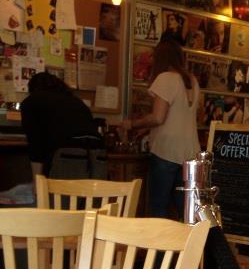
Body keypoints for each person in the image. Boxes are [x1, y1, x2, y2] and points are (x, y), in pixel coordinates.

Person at [121, 40, 200, 218]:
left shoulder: (166, 78)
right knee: (186, 212)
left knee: (158, 209)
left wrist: (132, 124)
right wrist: (147, 129)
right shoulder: (192, 81)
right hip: (189, 154)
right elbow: (179, 117)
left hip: (166, 152)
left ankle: (158, 239)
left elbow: (158, 117)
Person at [21, 71, 106, 179]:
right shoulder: (77, 101)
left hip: (67, 153)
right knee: (88, 190)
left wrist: (37, 182)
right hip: (98, 152)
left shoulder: (32, 101)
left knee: (57, 189)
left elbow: (35, 145)